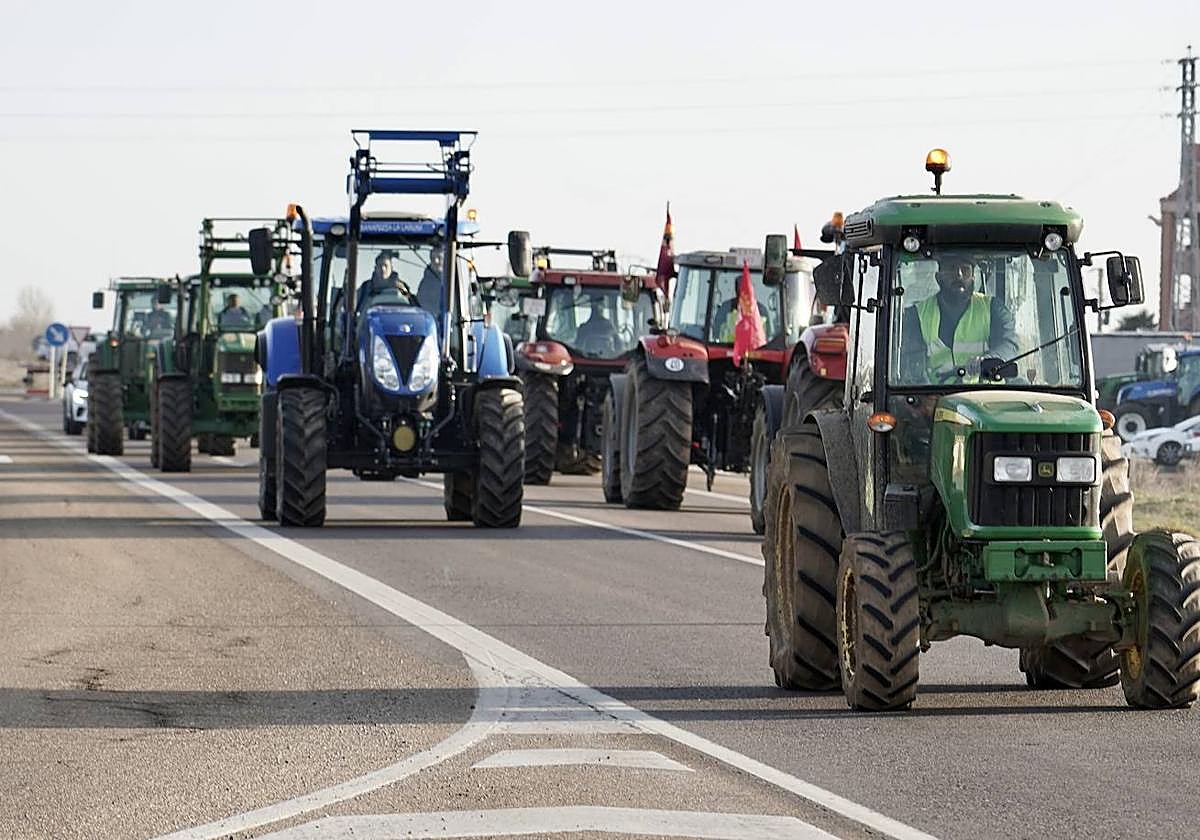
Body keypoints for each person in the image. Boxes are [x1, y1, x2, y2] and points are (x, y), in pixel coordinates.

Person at [899, 255, 1018, 384]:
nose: (959, 275)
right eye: (951, 269)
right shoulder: (916, 315)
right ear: (938, 278)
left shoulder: (993, 309)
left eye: (966, 270)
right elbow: (910, 368)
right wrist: (924, 395)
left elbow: (1008, 345)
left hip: (987, 397)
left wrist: (987, 359)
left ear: (973, 278)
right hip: (937, 398)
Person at [417, 249, 444, 313]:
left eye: (439, 258)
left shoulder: (455, 281)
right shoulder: (426, 282)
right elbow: (421, 304)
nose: (436, 261)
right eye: (433, 258)